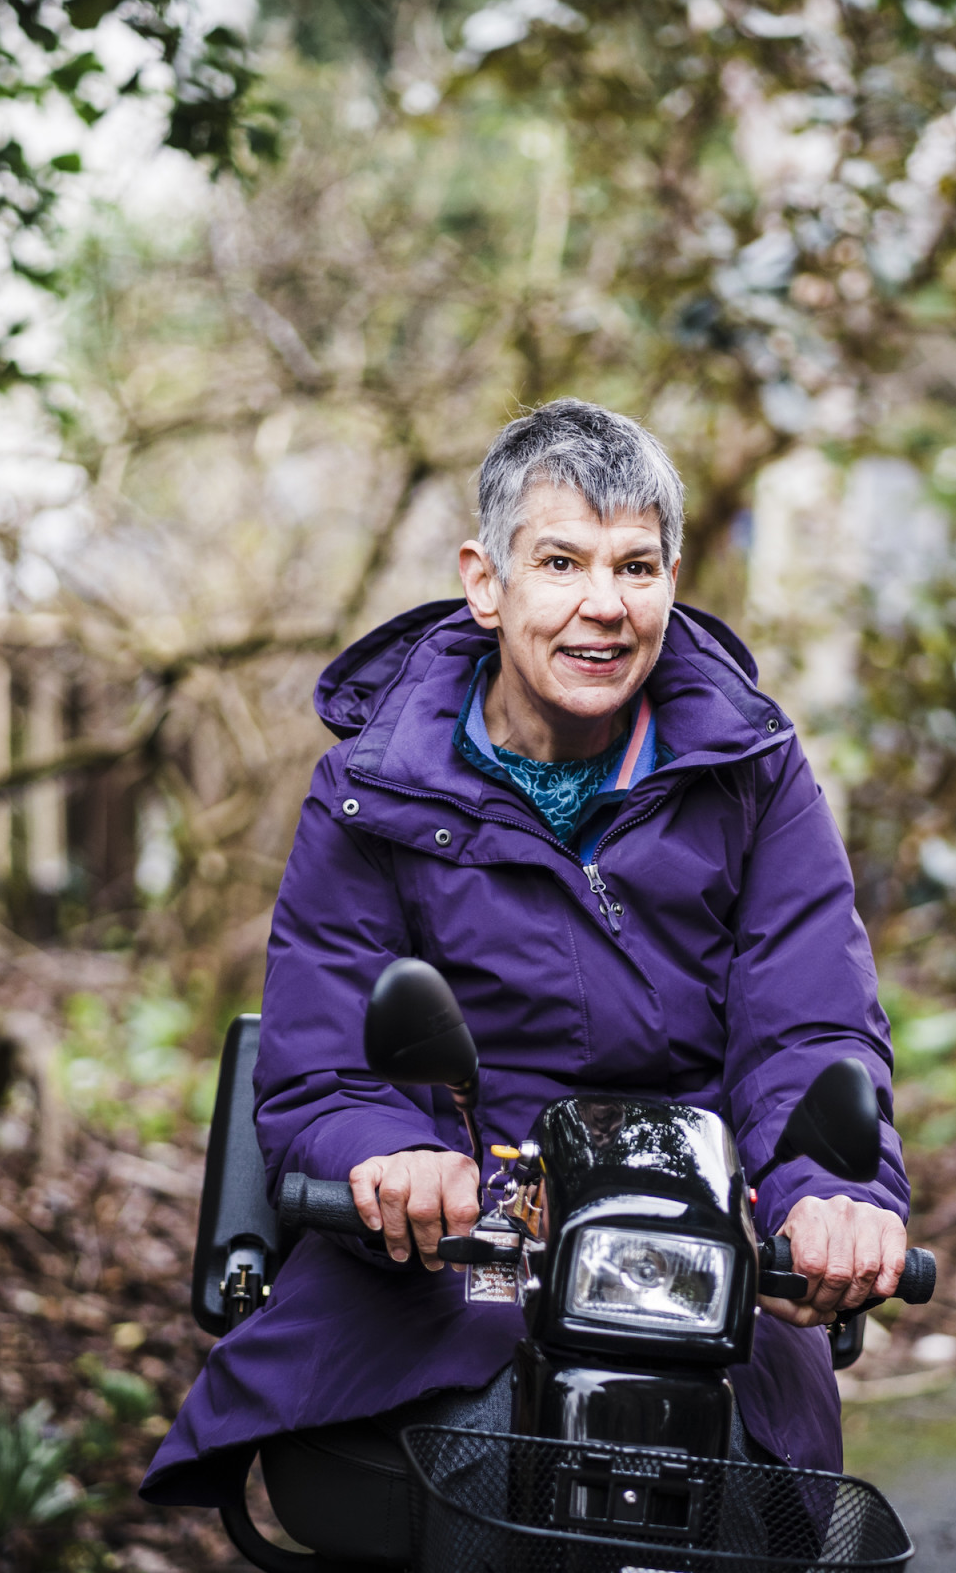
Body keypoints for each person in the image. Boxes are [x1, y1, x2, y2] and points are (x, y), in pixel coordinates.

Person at [142, 398, 909, 1508]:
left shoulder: (756, 770)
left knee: (749, 1489)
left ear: (673, 579)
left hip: (687, 1243)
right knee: (465, 1462)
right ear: (486, 581)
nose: (604, 606)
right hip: (468, 1245)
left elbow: (810, 1023)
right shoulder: (373, 789)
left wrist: (828, 1193)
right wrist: (388, 1151)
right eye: (561, 562)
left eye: (636, 567)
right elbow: (327, 1057)